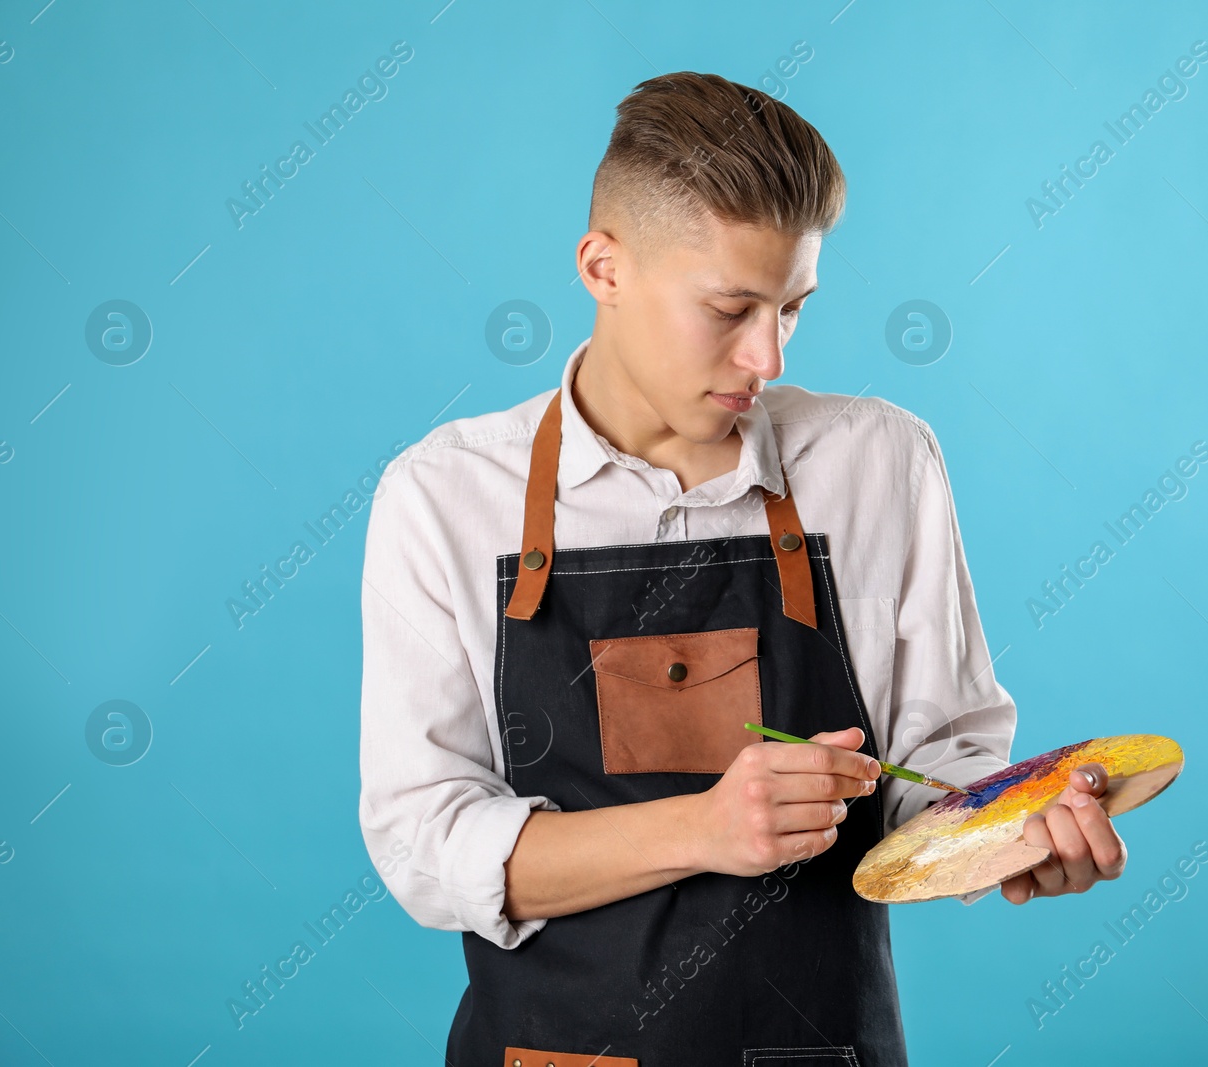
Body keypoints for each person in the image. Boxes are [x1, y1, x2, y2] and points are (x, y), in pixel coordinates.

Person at [358, 71, 1126, 1067]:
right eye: (728, 307)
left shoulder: (878, 460)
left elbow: (934, 769)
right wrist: (705, 827)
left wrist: (1014, 828)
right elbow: (428, 844)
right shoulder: (444, 494)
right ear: (603, 267)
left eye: (793, 307)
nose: (765, 355)